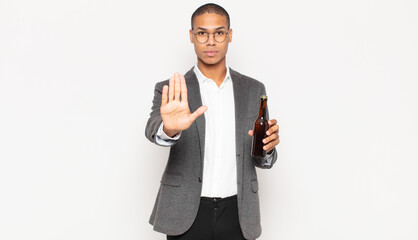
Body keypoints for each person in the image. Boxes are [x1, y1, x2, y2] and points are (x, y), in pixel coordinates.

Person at [145, 3, 280, 240]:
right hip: (186, 212)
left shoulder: (253, 90)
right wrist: (170, 129)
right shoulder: (171, 90)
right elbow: (153, 129)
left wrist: (267, 149)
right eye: (202, 33)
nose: (210, 41)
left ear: (229, 35)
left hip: (238, 213)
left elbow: (262, 158)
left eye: (218, 33)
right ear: (191, 36)